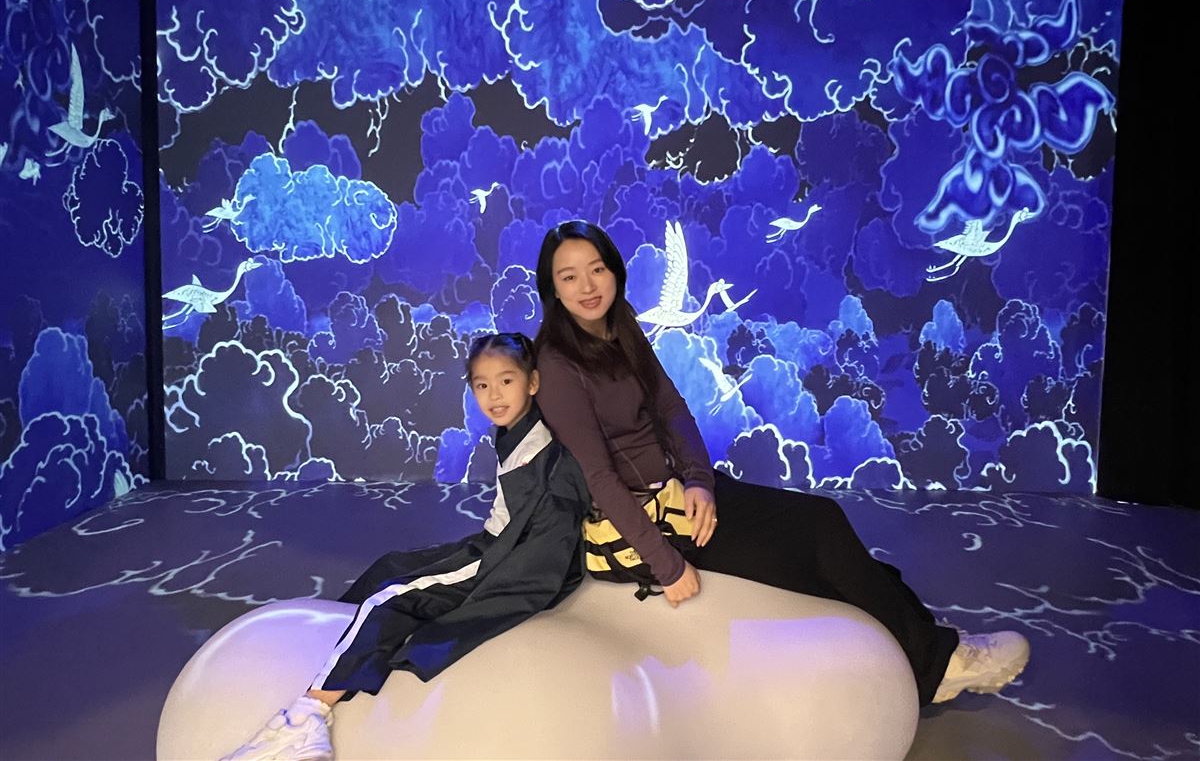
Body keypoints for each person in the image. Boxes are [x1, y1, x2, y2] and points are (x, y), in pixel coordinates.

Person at [532, 219, 1030, 707]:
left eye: (596, 269)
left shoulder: (620, 327)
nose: (587, 286)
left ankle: (934, 649)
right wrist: (666, 565)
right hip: (649, 524)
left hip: (682, 493)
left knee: (824, 524)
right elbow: (598, 477)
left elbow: (672, 409)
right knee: (814, 548)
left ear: (615, 270)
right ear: (552, 289)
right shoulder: (556, 366)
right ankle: (939, 664)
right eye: (569, 277)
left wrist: (700, 481)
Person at [223, 333, 590, 760]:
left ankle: (307, 718)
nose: (494, 395)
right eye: (482, 384)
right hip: (494, 542)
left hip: (505, 558)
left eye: (506, 381)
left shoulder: (536, 451)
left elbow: (538, 542)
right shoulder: (517, 432)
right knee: (392, 565)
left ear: (532, 382)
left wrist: (492, 580)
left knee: (391, 598)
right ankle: (336, 647)